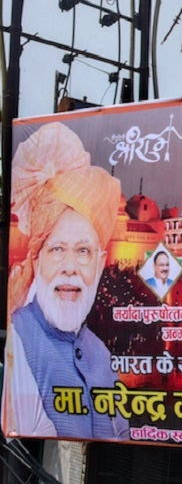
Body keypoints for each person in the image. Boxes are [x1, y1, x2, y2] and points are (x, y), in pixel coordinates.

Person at [3, 122, 131, 439]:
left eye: (84, 251)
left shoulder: (99, 354)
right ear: (36, 258)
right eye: (57, 249)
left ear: (101, 265)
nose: (71, 268)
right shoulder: (19, 339)